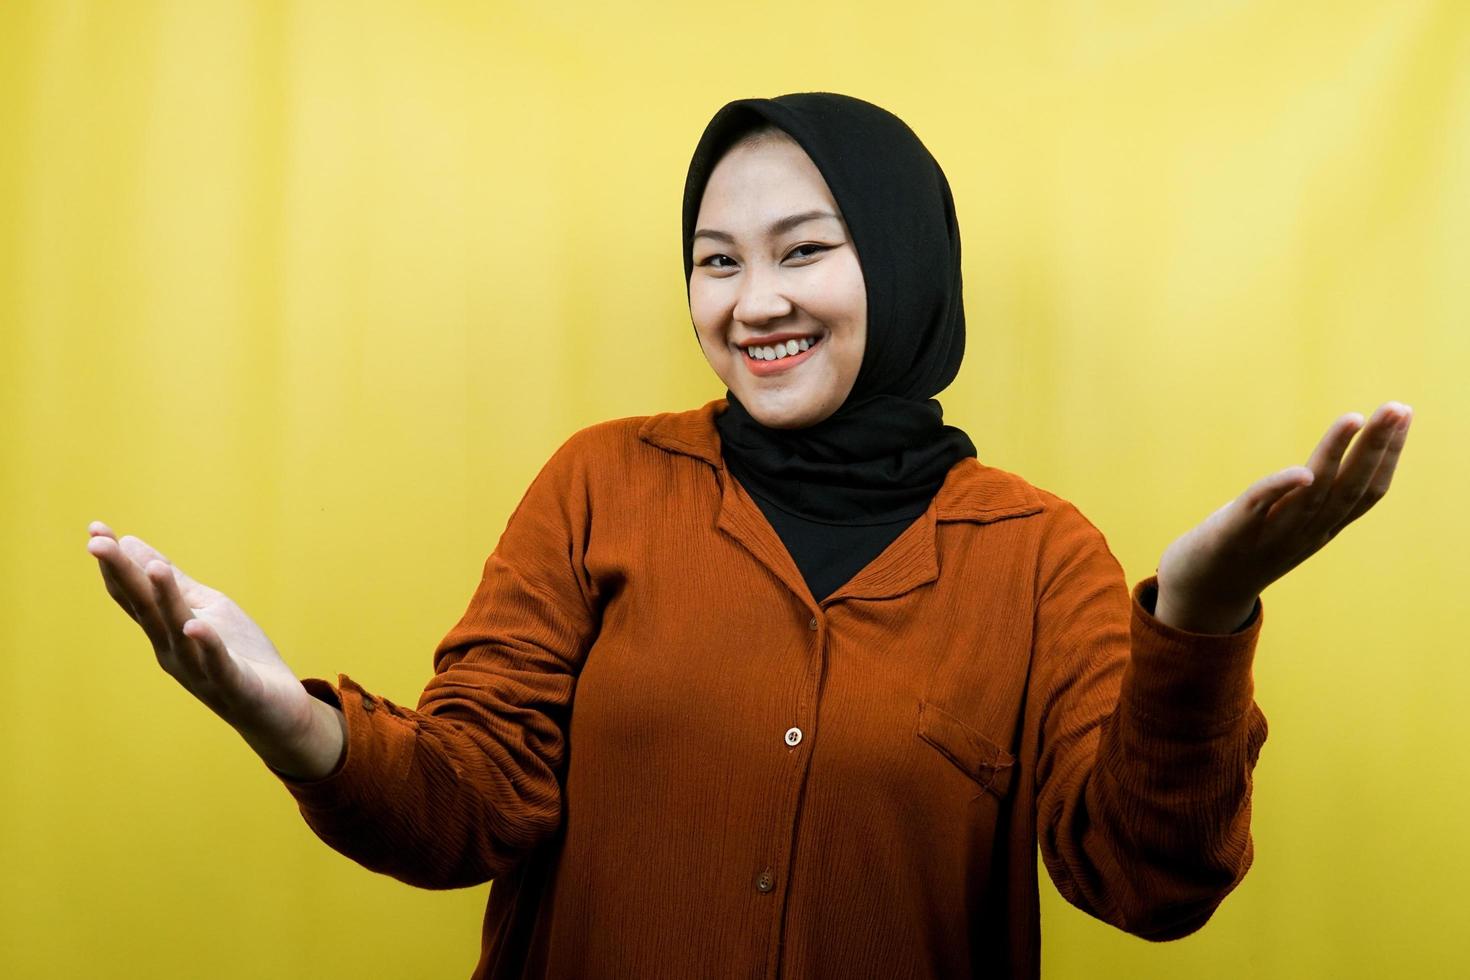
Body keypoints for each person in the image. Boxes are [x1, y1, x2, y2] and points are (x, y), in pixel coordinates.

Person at [86, 92, 1413, 979]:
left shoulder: (1038, 553)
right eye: (716, 261)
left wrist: (1196, 617)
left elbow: (1143, 882)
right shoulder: (599, 483)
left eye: (802, 250)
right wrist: (285, 716)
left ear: (899, 267)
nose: (752, 302)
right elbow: (468, 810)